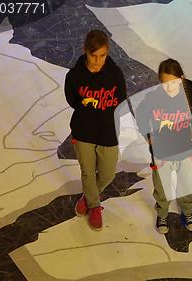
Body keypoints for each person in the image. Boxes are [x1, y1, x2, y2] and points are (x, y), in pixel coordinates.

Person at [136, 58, 192, 234]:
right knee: (162, 186)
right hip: (162, 152)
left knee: (186, 183)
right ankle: (162, 213)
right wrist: (146, 133)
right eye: (165, 84)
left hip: (186, 149)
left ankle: (187, 210)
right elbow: (141, 113)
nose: (170, 88)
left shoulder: (190, 93)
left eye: (173, 83)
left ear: (182, 78)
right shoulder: (153, 97)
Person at [64, 29, 127, 230]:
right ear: (85, 51)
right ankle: (94, 206)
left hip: (108, 132)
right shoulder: (74, 76)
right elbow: (73, 100)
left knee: (108, 174)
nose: (98, 61)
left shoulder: (115, 73)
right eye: (94, 56)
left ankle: (88, 196)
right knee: (88, 173)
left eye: (102, 56)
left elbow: (122, 100)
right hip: (83, 131)